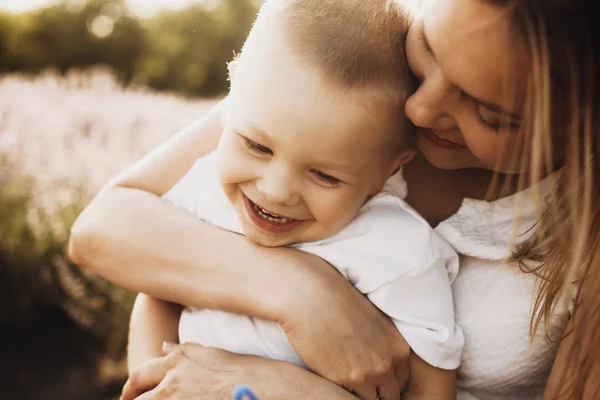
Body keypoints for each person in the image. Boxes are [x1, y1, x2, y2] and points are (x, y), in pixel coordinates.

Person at [68, 0, 600, 398]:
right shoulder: (354, 72)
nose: (417, 108)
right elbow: (106, 229)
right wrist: (301, 292)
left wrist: (290, 390)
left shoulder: (583, 231)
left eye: (489, 114)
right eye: (429, 50)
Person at [130, 1, 461, 398]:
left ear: (386, 171)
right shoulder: (204, 191)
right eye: (256, 146)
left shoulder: (399, 251)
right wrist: (151, 382)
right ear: (230, 100)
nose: (274, 190)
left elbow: (433, 383)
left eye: (324, 175)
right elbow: (155, 296)